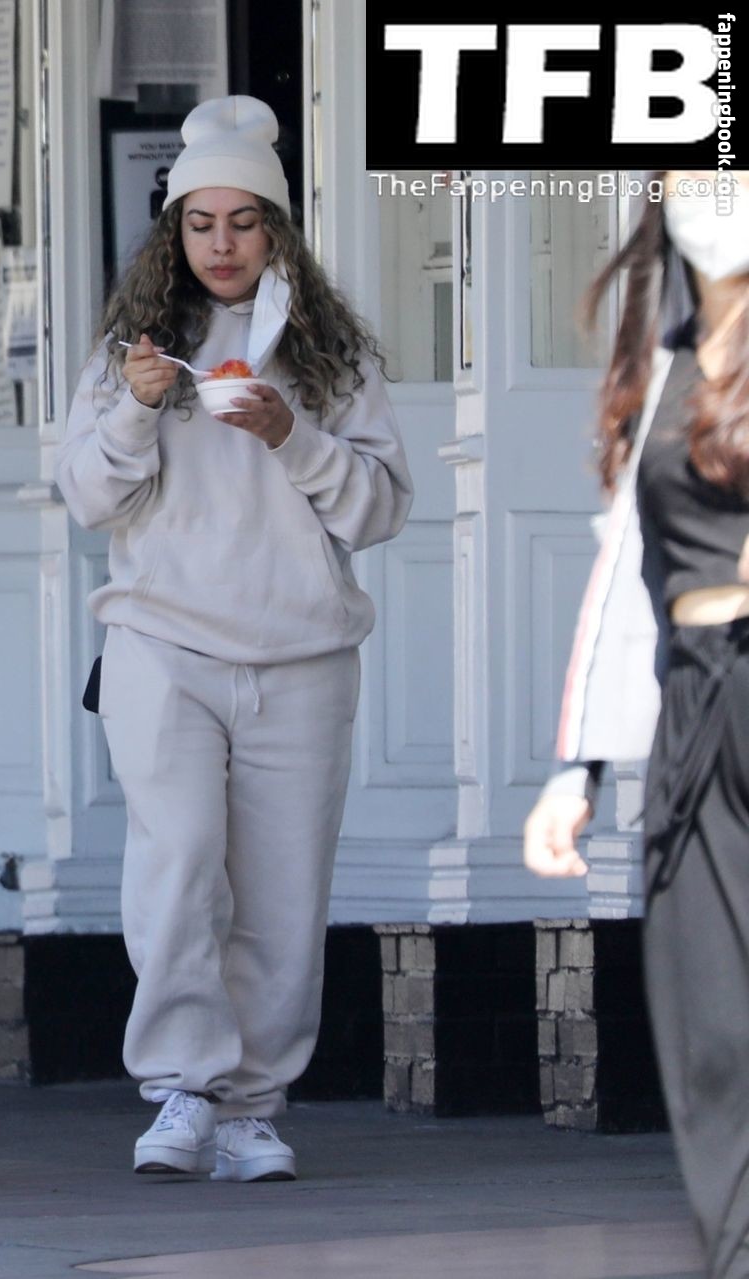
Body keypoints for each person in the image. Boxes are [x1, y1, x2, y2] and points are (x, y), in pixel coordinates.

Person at [55, 95, 411, 1182]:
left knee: (283, 892)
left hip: (303, 654)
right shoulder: (131, 352)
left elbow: (380, 509)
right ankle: (180, 1084)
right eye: (201, 222)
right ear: (174, 232)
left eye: (244, 222)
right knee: (175, 866)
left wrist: (289, 433)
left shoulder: (331, 357)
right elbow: (87, 497)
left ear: (277, 230)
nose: (222, 244)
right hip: (161, 643)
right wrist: (133, 408)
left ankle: (253, 1105)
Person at [524, 171, 749, 1279]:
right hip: (696, 701)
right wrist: (579, 767)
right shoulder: (660, 360)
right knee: (710, 1028)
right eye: (693, 177)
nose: (715, 197)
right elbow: (624, 571)